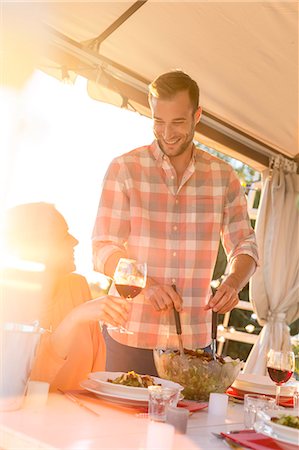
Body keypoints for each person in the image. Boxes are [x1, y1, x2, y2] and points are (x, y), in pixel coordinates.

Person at [92, 70, 259, 376]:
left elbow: (245, 244)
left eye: (178, 122)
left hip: (193, 344)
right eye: (159, 121)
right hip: (130, 336)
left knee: (187, 425)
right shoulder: (124, 169)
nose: (167, 133)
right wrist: (146, 283)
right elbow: (103, 248)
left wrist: (234, 282)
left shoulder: (223, 178)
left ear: (197, 116)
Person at [2, 202, 130, 392]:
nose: (74, 241)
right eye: (63, 236)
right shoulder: (8, 297)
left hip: (83, 415)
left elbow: (96, 371)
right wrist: (74, 318)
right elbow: (25, 383)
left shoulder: (77, 287)